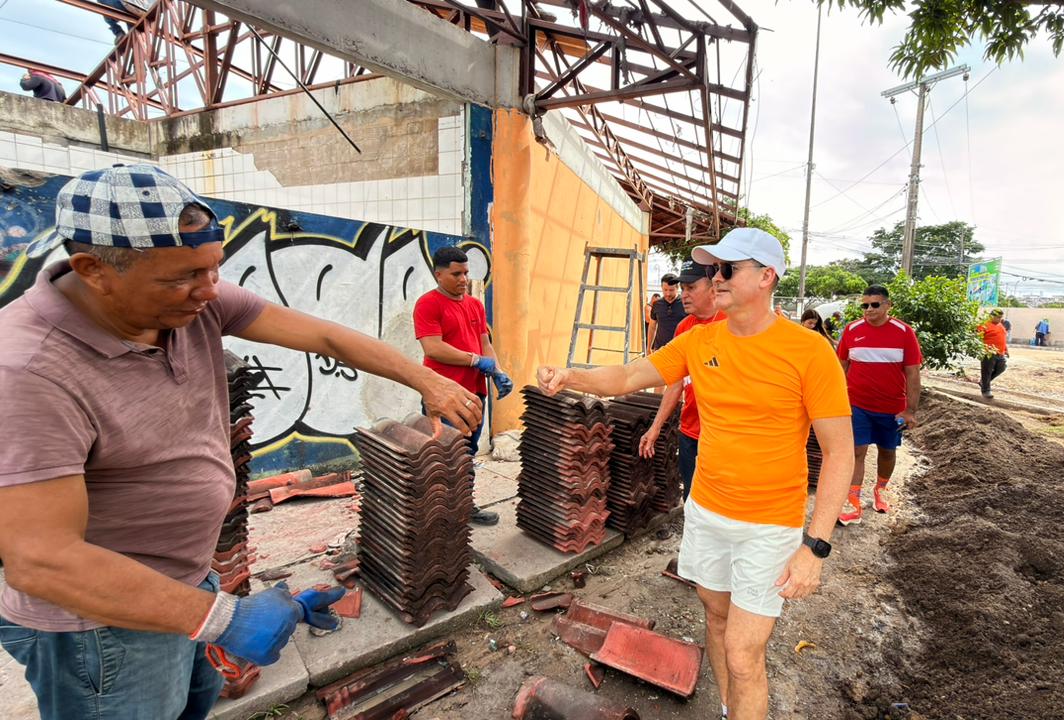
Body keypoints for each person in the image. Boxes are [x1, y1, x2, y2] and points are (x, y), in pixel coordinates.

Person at [0, 165, 482, 720]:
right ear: (94, 270)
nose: (210, 292)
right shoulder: (31, 370)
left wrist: (427, 379)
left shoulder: (191, 303)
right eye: (184, 277)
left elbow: (326, 335)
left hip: (184, 582)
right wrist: (224, 619)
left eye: (214, 270)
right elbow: (43, 560)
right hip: (100, 629)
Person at [537, 228, 852, 720]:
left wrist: (815, 547)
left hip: (769, 526)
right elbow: (626, 376)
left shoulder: (809, 351)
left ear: (767, 277)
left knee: (744, 655)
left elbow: (839, 453)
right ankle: (730, 708)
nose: (715, 279)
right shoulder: (699, 339)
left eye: (727, 269)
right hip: (706, 512)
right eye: (713, 270)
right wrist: (569, 376)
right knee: (717, 617)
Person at [414, 246, 513, 526]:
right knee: (444, 456)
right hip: (442, 394)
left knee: (466, 455)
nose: (463, 279)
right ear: (439, 274)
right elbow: (433, 348)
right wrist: (474, 361)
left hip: (474, 393)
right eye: (456, 274)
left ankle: (465, 507)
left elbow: (485, 344)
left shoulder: (474, 305)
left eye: (466, 273)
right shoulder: (428, 304)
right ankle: (437, 515)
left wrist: (497, 372)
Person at [637, 259, 725, 501]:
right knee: (691, 500)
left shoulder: (732, 324)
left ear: (713, 287)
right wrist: (655, 428)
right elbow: (675, 383)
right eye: (682, 288)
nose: (683, 295)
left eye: (690, 288)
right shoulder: (684, 327)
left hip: (722, 438)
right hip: (690, 432)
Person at [835, 285, 923, 525]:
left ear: (887, 305)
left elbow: (913, 373)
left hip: (892, 408)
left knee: (887, 451)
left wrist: (910, 410)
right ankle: (853, 502)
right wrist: (835, 398)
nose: (869, 309)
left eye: (875, 304)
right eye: (865, 305)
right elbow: (839, 366)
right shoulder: (852, 330)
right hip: (856, 405)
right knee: (856, 451)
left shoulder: (904, 332)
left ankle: (880, 490)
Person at [647, 275, 686, 353]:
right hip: (659, 350)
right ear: (661, 288)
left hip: (680, 350)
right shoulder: (657, 304)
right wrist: (649, 348)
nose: (668, 293)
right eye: (665, 290)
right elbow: (652, 327)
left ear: (677, 288)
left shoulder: (685, 304)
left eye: (671, 290)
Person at [977, 309, 1009, 399]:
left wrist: (1006, 349)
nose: (999, 319)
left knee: (1002, 367)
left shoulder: (1000, 326)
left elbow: (1002, 338)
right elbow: (976, 338)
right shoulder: (984, 325)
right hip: (988, 352)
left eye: (1000, 317)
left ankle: (983, 383)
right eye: (998, 317)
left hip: (1000, 352)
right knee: (986, 371)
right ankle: (986, 391)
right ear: (991, 316)